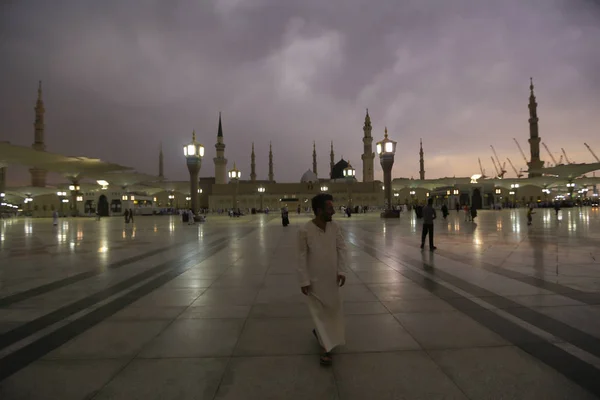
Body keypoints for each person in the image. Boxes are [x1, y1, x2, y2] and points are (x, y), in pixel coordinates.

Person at [297, 193, 347, 366]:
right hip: (315, 281)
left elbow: (342, 249)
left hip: (331, 279)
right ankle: (325, 348)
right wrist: (304, 280)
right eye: (329, 208)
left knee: (332, 311)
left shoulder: (335, 227)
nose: (333, 211)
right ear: (319, 210)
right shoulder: (305, 230)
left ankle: (320, 333)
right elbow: (301, 257)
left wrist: (341, 270)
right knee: (319, 312)